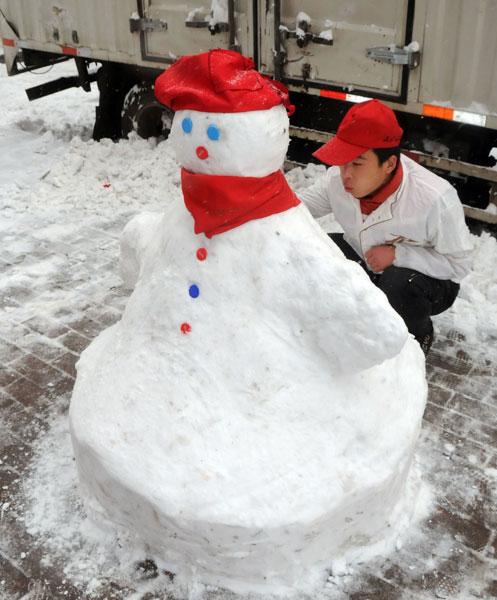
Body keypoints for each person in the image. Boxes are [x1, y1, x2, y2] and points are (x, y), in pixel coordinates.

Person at [297, 99, 473, 355]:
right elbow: (296, 208)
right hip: (367, 258)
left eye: (357, 163)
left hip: (429, 281)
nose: (346, 173)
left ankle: (416, 337)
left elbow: (458, 265)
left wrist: (398, 254)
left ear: (389, 164)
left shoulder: (434, 199)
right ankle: (346, 325)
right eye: (342, 160)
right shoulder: (337, 178)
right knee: (319, 249)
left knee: (399, 282)